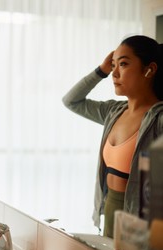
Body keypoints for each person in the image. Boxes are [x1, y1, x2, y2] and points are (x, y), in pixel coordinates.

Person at [62, 35, 163, 238]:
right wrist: (101, 70)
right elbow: (71, 101)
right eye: (113, 65)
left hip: (143, 226)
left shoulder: (159, 119)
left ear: (149, 69)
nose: (114, 73)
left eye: (123, 64)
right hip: (109, 213)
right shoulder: (113, 111)